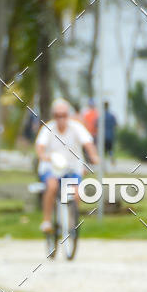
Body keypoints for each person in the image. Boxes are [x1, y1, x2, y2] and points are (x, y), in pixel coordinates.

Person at [35, 98, 98, 233]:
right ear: (54, 116)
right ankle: (46, 221)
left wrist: (94, 156)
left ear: (68, 115)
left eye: (63, 115)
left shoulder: (76, 127)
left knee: (76, 193)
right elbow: (40, 146)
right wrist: (43, 156)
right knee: (52, 187)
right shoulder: (48, 128)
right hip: (51, 168)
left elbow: (88, 143)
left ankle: (72, 221)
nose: (61, 119)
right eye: (57, 115)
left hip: (71, 168)